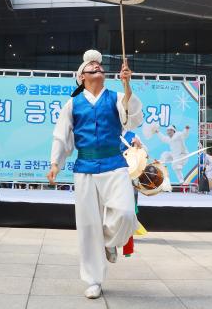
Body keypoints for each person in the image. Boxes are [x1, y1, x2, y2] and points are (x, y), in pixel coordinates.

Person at [46, 50, 143, 299]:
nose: (96, 66)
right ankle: (93, 279)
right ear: (82, 77)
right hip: (85, 168)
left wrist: (127, 85)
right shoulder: (73, 103)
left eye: (98, 65)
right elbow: (62, 135)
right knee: (88, 225)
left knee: (125, 214)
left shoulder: (116, 96)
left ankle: (109, 243)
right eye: (90, 65)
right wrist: (56, 163)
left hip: (114, 165)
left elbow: (131, 119)